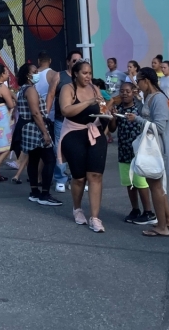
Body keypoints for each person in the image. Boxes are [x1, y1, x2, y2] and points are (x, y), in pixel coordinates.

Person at [59, 59, 108, 232]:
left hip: (95, 131)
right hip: (74, 133)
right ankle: (77, 208)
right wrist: (87, 102)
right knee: (79, 177)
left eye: (90, 73)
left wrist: (108, 111)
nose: (88, 76)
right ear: (76, 74)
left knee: (95, 175)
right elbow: (65, 110)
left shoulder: (95, 88)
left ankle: (95, 217)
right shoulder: (68, 88)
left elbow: (102, 108)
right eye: (84, 73)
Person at [133, 67, 169, 237]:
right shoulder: (150, 96)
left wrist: (136, 119)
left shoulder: (157, 98)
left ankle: (162, 226)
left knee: (156, 187)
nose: (137, 84)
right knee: (159, 187)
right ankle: (168, 220)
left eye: (138, 80)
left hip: (157, 148)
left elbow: (159, 127)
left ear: (146, 81)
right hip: (155, 147)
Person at [109, 80, 156, 225]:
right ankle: (135, 209)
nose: (124, 94)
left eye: (127, 91)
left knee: (140, 182)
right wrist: (113, 117)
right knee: (129, 182)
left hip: (138, 150)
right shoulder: (119, 108)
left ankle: (148, 212)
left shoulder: (140, 108)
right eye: (122, 91)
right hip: (123, 150)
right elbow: (112, 129)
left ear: (134, 92)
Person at [13, 63, 60, 206]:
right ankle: (44, 193)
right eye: (34, 71)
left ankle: (34, 191)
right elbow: (35, 112)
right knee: (50, 160)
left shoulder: (22, 90)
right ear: (28, 75)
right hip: (35, 128)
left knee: (33, 159)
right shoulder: (31, 90)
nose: (36, 73)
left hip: (27, 127)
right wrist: (45, 132)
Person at [44, 52, 74, 192]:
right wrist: (46, 113)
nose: (76, 63)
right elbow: (50, 94)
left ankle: (77, 178)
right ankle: (60, 178)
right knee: (59, 148)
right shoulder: (59, 76)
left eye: (79, 60)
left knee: (77, 149)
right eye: (74, 60)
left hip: (79, 121)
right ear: (68, 62)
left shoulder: (84, 77)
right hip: (61, 119)